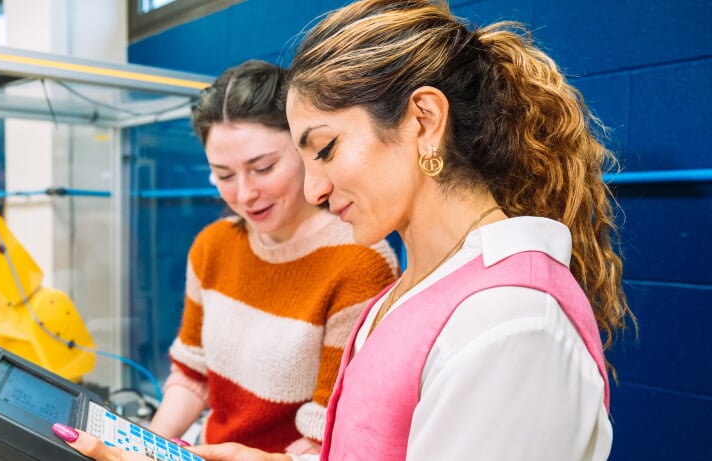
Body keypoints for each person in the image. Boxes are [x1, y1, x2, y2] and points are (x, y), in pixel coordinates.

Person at [53, 1, 634, 460]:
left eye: (325, 150)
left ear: (424, 121)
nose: (313, 191)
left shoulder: (513, 324)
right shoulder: (415, 291)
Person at [123, 59, 401, 456]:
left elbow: (329, 433)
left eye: (263, 168)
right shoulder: (212, 246)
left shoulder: (359, 262)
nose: (245, 194)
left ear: (306, 150)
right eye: (224, 175)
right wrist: (142, 447)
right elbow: (192, 373)